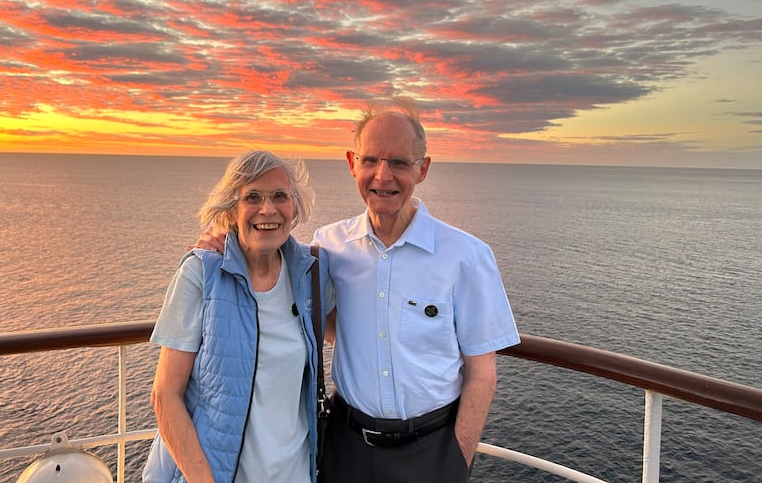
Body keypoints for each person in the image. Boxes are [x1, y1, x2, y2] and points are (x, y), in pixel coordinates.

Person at [311, 97, 520, 483]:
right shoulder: (328, 245)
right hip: (345, 445)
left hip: (432, 451)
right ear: (351, 163)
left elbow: (482, 373)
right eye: (370, 160)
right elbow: (315, 316)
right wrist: (223, 238)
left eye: (399, 163)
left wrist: (456, 462)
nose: (382, 176)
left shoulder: (466, 257)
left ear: (422, 169)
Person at [143, 150, 334, 483]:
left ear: (294, 208)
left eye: (279, 196)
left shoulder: (312, 272)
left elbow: (345, 331)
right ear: (231, 211)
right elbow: (165, 395)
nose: (268, 209)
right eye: (253, 197)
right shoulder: (200, 274)